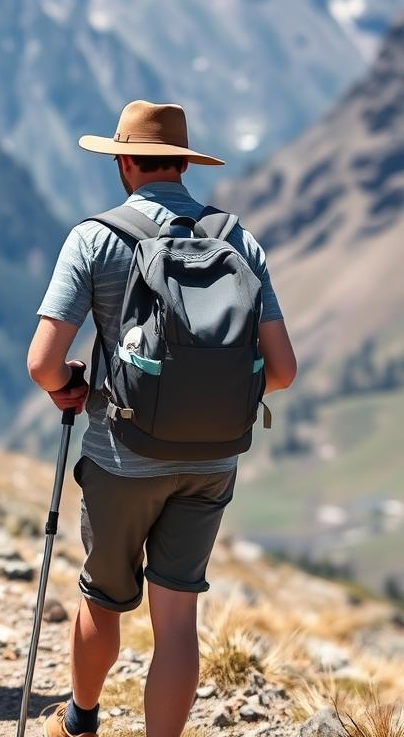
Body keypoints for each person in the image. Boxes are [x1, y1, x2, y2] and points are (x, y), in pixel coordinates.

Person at [27, 101, 296, 737]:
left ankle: (80, 720)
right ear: (184, 164)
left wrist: (69, 387)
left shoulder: (95, 238)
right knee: (176, 621)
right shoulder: (238, 241)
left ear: (124, 162)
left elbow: (42, 363)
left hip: (122, 454)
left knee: (103, 598)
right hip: (213, 459)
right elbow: (282, 370)